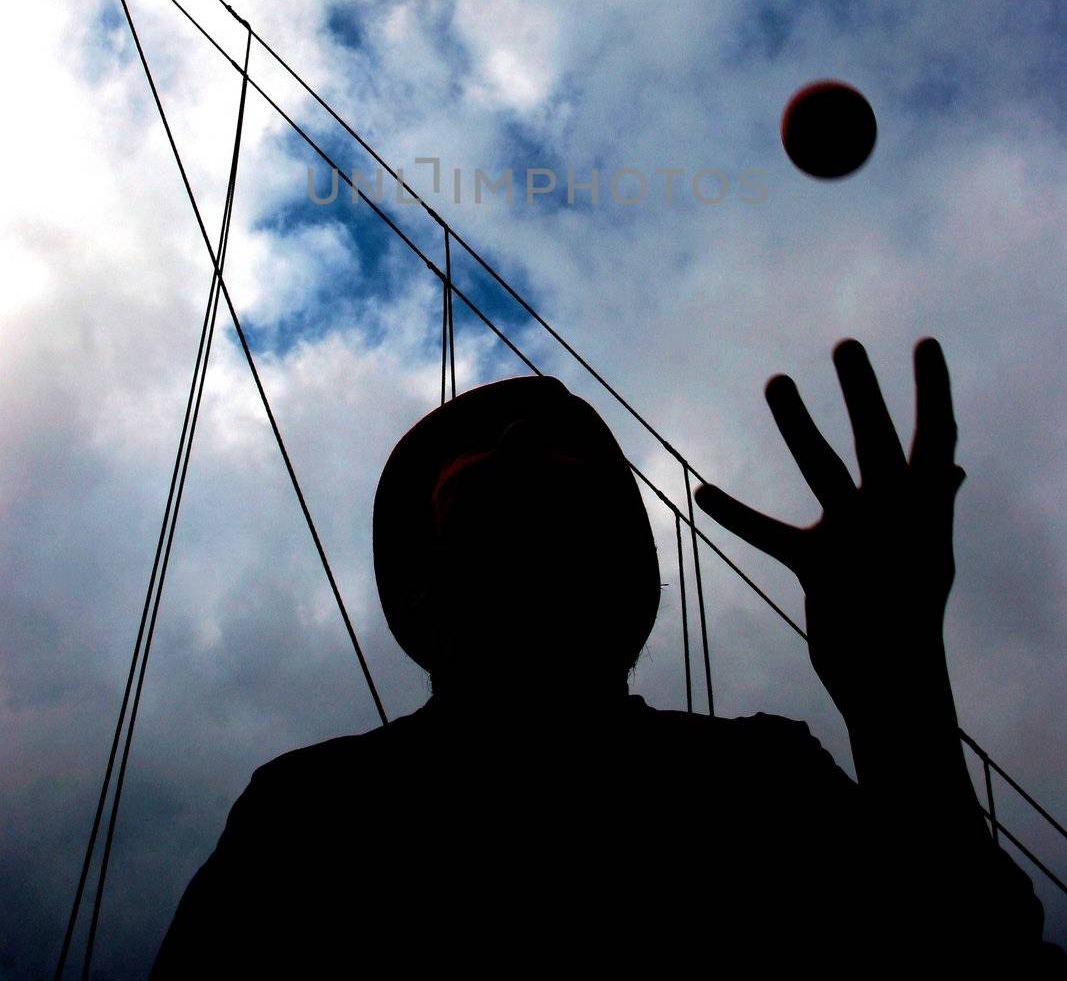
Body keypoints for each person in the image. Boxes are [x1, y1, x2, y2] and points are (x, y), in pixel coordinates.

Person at [149, 340, 1066, 976]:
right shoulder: (312, 813)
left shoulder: (757, 779)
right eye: (474, 476)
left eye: (559, 469)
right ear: (422, 595)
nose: (517, 445)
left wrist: (894, 690)